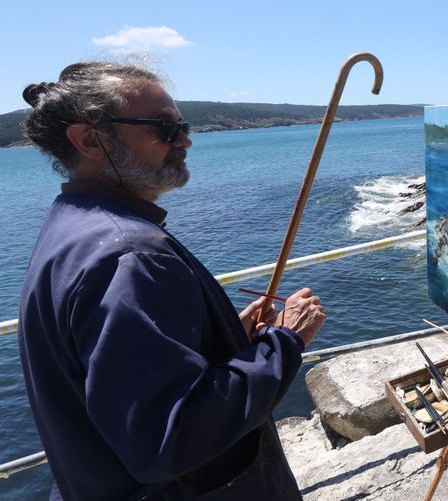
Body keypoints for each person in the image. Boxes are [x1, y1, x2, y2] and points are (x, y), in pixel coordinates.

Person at [18, 62, 326, 500]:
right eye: (163, 128)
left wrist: (224, 341)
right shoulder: (130, 255)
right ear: (89, 140)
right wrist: (283, 343)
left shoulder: (73, 226)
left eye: (182, 125)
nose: (185, 139)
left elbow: (121, 381)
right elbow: (174, 438)